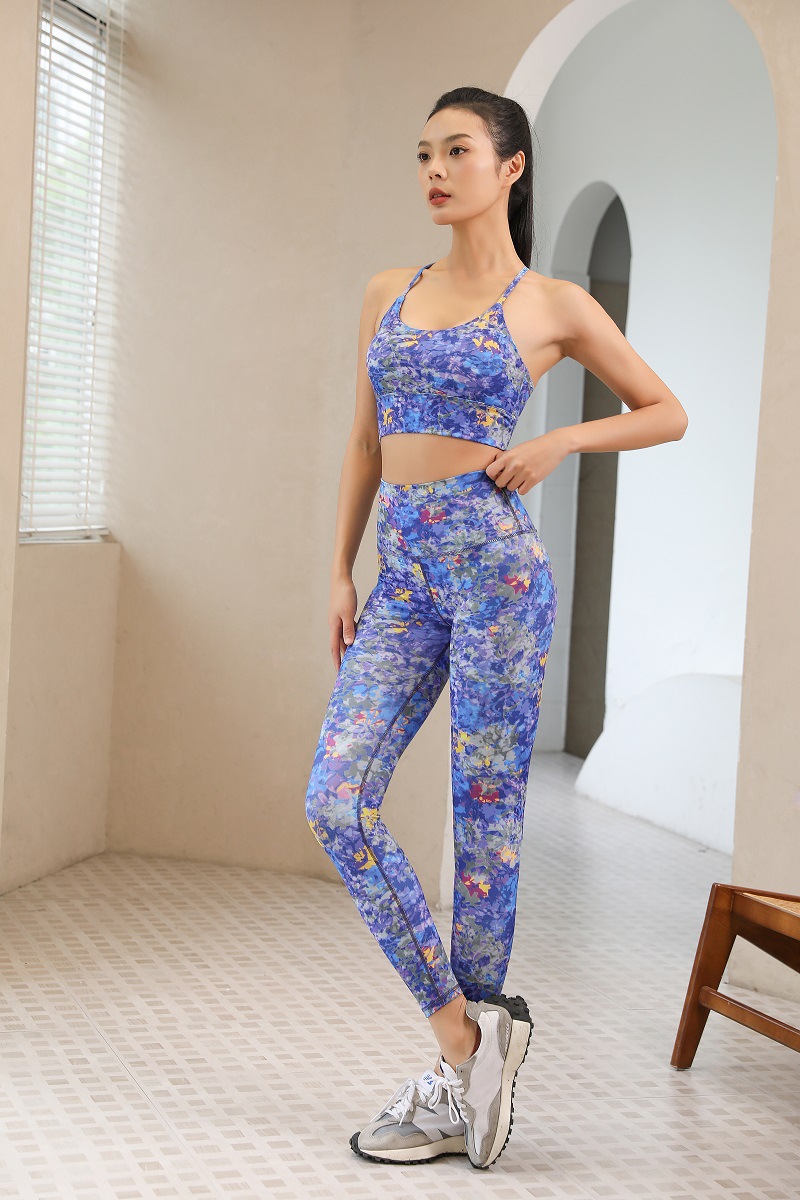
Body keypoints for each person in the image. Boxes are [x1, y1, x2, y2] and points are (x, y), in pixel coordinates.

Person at [305, 85, 688, 1170]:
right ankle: (467, 1038)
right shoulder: (389, 289)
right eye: (423, 153)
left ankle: (455, 1084)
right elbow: (366, 442)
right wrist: (338, 568)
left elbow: (665, 410)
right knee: (335, 799)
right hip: (402, 573)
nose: (434, 170)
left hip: (496, 576)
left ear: (509, 167)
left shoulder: (552, 304)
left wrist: (560, 442)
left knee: (484, 829)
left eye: (457, 151)